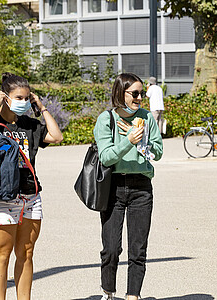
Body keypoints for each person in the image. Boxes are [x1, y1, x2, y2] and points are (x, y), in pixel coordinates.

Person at [0, 73, 63, 300]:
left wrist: (40, 107)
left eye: (26, 97)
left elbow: (56, 135)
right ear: (5, 97)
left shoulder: (29, 125)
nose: (23, 101)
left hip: (30, 196)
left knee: (26, 253)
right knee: (2, 254)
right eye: (18, 97)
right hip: (1, 197)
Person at [93, 73, 163, 300]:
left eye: (142, 93)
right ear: (120, 93)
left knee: (138, 248)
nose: (140, 98)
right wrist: (128, 141)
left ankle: (134, 295)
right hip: (113, 187)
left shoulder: (146, 117)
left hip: (141, 187)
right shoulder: (106, 119)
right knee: (111, 248)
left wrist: (142, 143)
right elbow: (105, 157)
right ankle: (108, 291)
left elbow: (158, 152)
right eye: (135, 93)